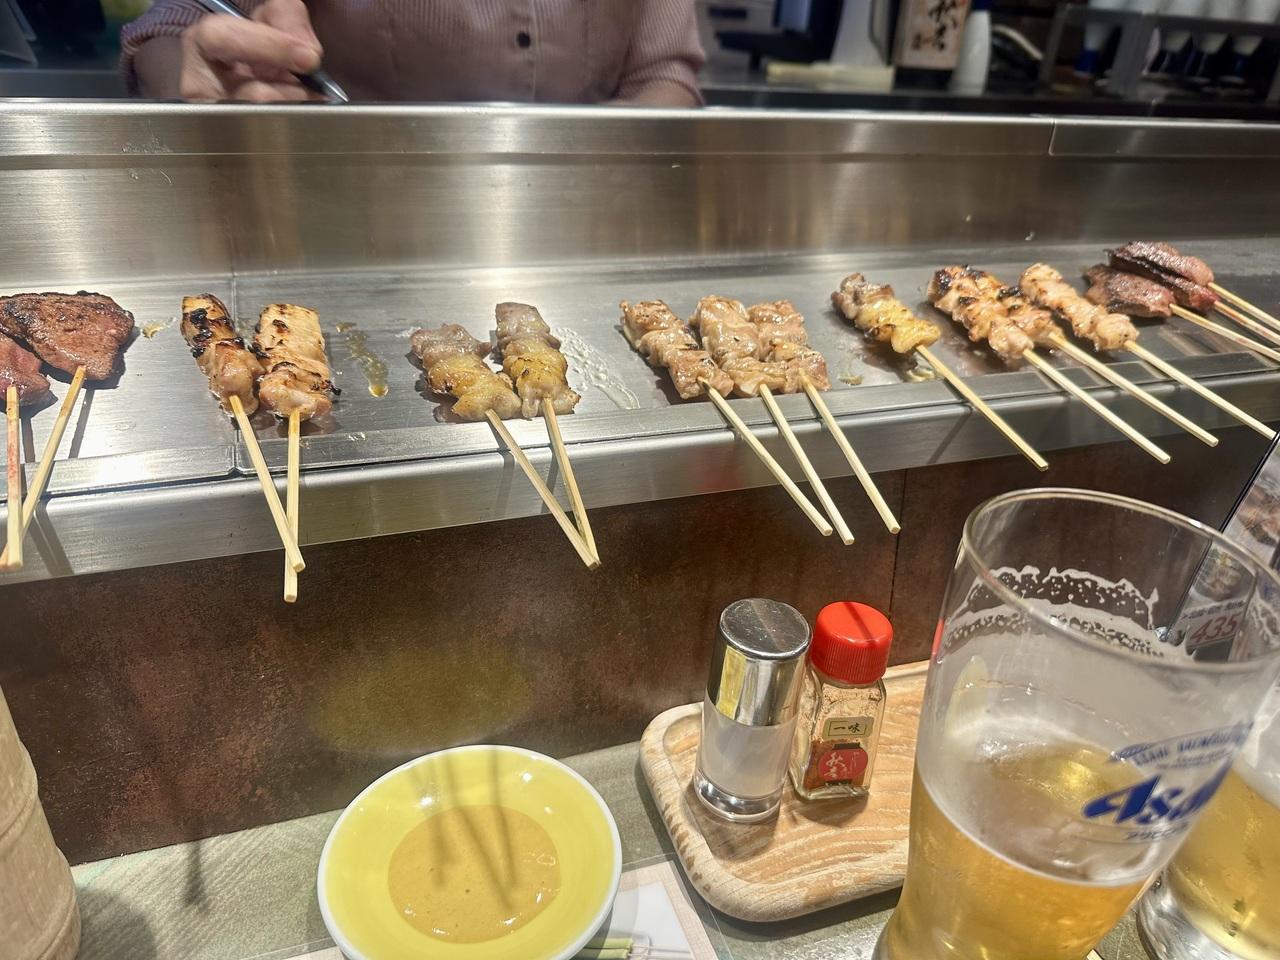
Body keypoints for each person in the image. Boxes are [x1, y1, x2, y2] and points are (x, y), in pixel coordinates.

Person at [122, 0, 705, 106]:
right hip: (335, 223)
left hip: (587, 235)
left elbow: (664, 74)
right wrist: (190, 76)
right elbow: (174, 25)